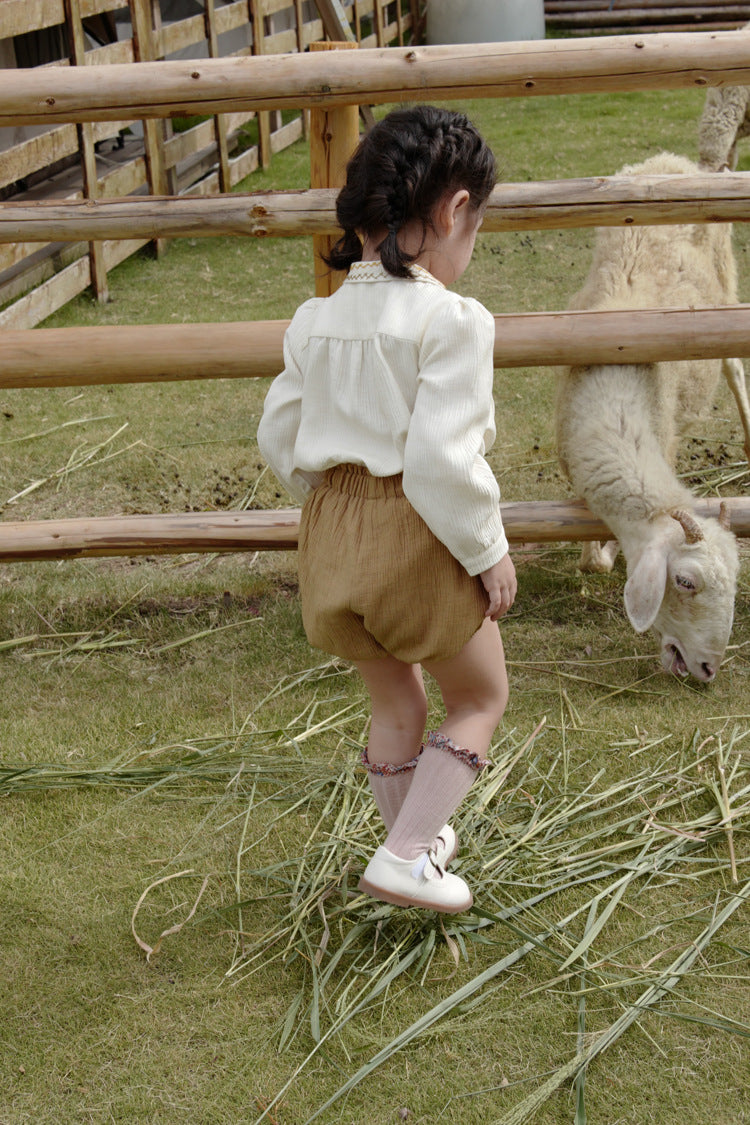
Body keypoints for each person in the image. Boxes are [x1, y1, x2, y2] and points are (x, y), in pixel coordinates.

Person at [257, 105, 516, 913]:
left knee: (394, 699)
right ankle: (407, 855)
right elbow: (442, 462)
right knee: (480, 697)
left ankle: (407, 853)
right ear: (454, 211)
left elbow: (279, 435)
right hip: (415, 532)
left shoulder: (315, 318)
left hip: (332, 538)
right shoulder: (451, 320)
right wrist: (488, 551)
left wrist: (336, 509)